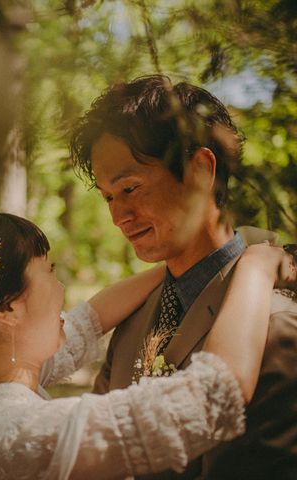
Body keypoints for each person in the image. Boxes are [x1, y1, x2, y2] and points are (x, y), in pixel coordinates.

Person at [0, 210, 293, 480]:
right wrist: (256, 270)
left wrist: (196, 261)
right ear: (7, 307)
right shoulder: (9, 433)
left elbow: (92, 317)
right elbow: (211, 399)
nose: (62, 289)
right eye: (49, 272)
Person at [70, 74, 297, 479]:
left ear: (200, 171)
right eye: (107, 196)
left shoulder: (275, 324)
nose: (117, 217)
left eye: (130, 188)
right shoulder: (132, 321)